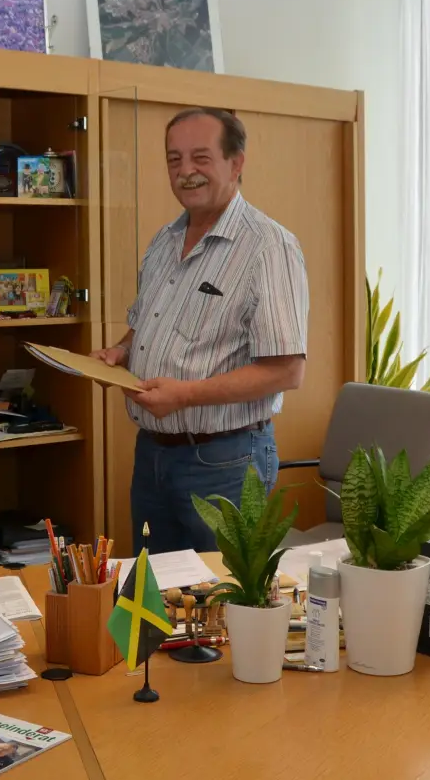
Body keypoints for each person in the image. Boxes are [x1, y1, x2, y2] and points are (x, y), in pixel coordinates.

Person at [91, 108, 308, 554]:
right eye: (174, 159)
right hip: (152, 454)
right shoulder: (163, 241)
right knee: (156, 602)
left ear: (236, 163)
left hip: (225, 461)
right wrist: (119, 353)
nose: (186, 171)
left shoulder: (268, 247)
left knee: (224, 603)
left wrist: (185, 395)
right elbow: (144, 327)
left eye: (201, 158)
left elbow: (287, 371)